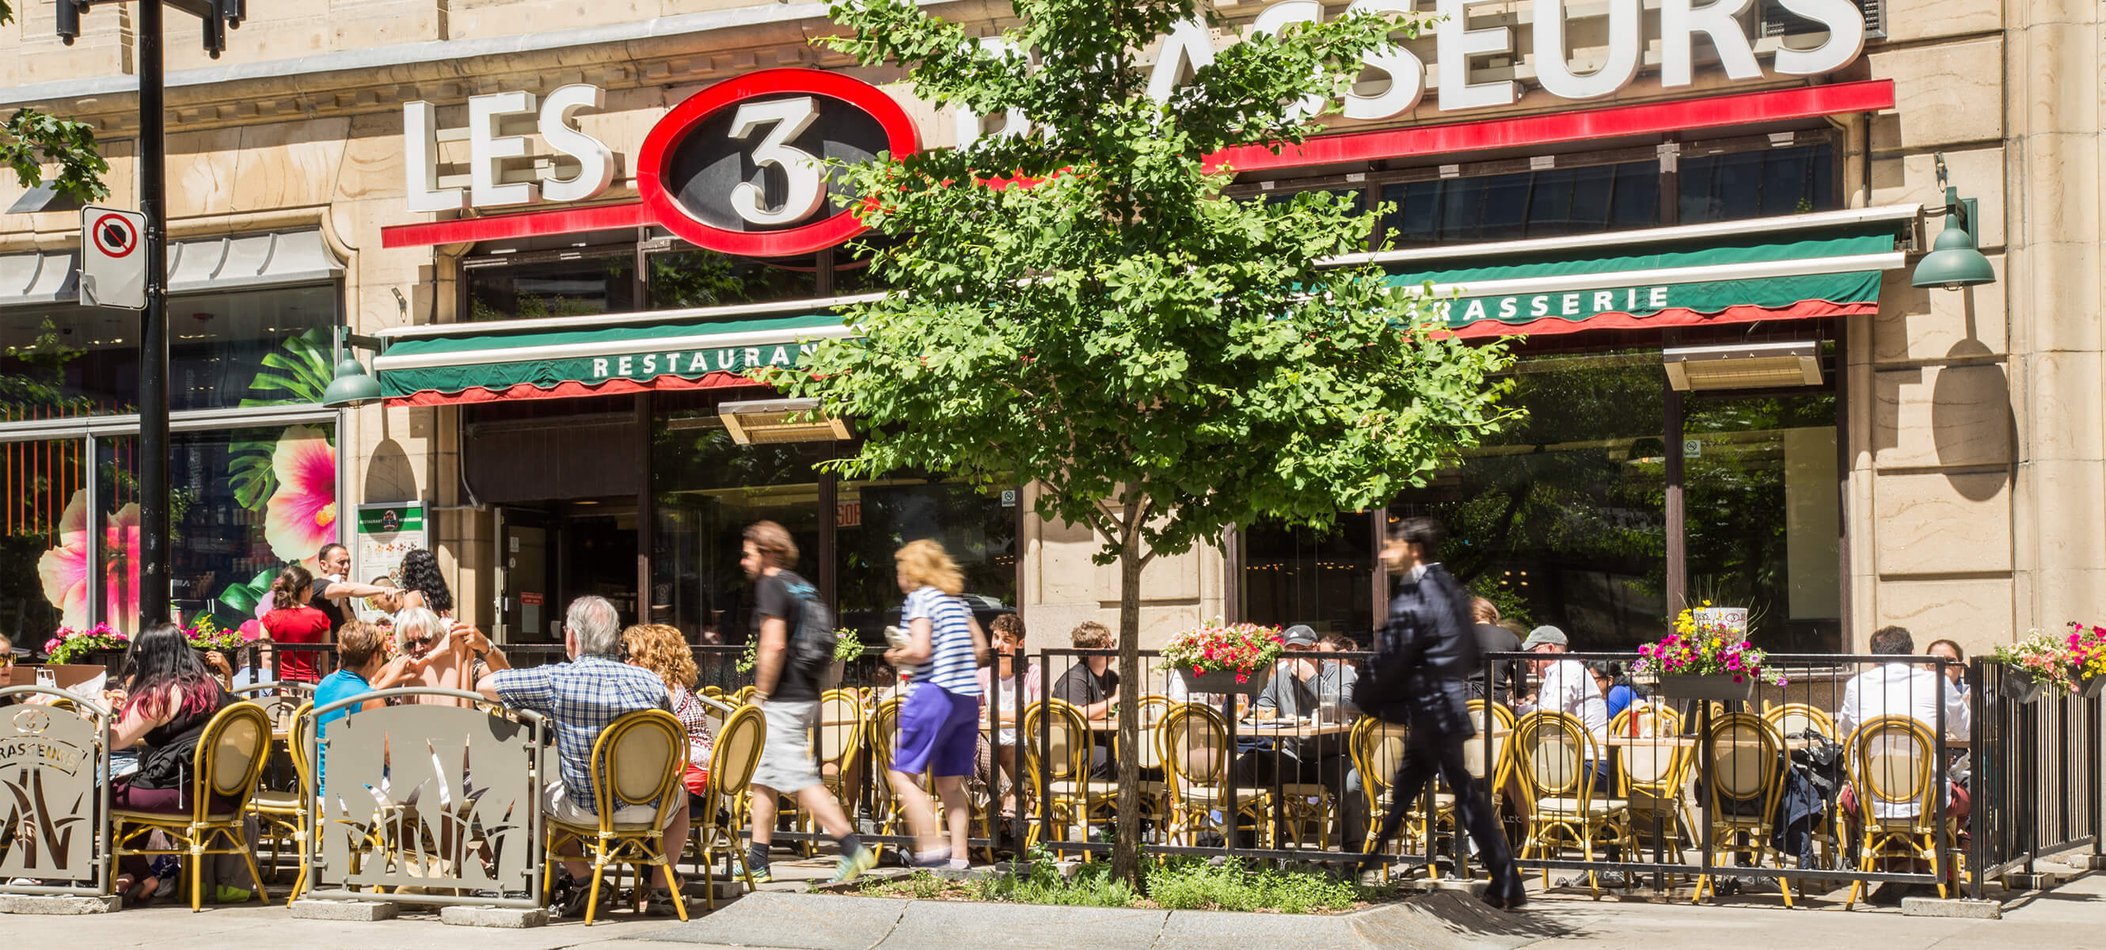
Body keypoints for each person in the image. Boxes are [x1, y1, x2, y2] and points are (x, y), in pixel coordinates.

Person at [474, 596, 688, 917]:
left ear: (572, 638)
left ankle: (584, 878)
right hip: (650, 808)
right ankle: (660, 888)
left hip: (586, 809)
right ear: (616, 638)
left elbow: (485, 685)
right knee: (682, 798)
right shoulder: (652, 682)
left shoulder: (557, 679)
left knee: (534, 795)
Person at [1354, 518, 1525, 910]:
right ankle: (1507, 883)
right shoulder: (1448, 586)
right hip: (1444, 707)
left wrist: (1367, 693)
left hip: (1431, 710)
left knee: (1431, 796)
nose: (1384, 553)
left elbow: (1399, 653)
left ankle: (1361, 870)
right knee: (1442, 796)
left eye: (1391, 545)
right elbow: (1467, 652)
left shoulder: (1419, 591)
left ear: (1412, 549)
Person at [739, 520, 875, 885]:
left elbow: (774, 644)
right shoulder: (803, 587)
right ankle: (758, 859)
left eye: (748, 553)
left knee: (796, 777)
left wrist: (762, 692)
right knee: (764, 776)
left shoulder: (770, 585)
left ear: (768, 552)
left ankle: (850, 846)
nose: (743, 561)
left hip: (783, 695)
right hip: (806, 692)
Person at [1836, 625, 1972, 903]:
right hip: (1929, 801)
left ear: (1874, 659)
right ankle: (1936, 870)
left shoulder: (1856, 685)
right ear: (1912, 653)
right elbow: (1967, 730)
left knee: (1851, 804)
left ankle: (1897, 869)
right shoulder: (1936, 683)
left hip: (1871, 801)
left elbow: (1846, 731)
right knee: (1965, 799)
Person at [107, 622, 241, 904]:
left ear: (152, 656)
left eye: (140, 655)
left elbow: (115, 741)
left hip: (184, 795)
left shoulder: (161, 693)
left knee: (105, 795)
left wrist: (100, 706)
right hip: (222, 795)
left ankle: (143, 876)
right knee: (129, 793)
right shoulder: (210, 685)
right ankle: (129, 875)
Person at [884, 540, 989, 869]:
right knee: (951, 782)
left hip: (933, 693)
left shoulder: (919, 598)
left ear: (913, 571)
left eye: (901, 568)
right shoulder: (959, 602)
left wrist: (895, 655)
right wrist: (956, 664)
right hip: (965, 699)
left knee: (902, 774)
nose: (899, 575)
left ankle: (931, 843)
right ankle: (960, 857)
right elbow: (982, 648)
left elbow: (920, 650)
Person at [311, 621, 429, 797]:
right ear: (374, 656)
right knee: (441, 783)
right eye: (383, 653)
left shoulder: (325, 684)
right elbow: (391, 757)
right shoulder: (370, 700)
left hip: (328, 793)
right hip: (365, 794)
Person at [624, 622, 716, 797]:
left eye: (631, 656)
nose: (626, 661)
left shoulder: (658, 691)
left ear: (648, 657)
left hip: (685, 781)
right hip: (699, 776)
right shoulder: (678, 687)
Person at [976, 614, 1040, 828]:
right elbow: (974, 713)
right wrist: (1016, 714)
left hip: (1028, 745)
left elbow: (1038, 713)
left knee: (1009, 747)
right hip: (989, 744)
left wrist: (996, 714)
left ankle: (1007, 810)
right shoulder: (983, 676)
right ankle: (1012, 804)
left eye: (1006, 640)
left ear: (1020, 644)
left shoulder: (1032, 674)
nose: (998, 645)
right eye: (995, 637)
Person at [392, 606, 509, 705]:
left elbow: (506, 679)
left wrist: (486, 646)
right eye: (410, 644)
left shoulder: (460, 662)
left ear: (438, 636)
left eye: (424, 640)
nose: (418, 648)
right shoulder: (403, 669)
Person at [1051, 620, 1119, 779]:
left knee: (1144, 761)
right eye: (1106, 646)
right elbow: (1079, 712)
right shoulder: (1075, 679)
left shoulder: (1111, 677)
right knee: (1112, 762)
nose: (1113, 649)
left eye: (1112, 643)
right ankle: (1091, 804)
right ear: (1090, 653)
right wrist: (1116, 699)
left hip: (1097, 743)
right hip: (1070, 749)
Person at [259, 564, 332, 683]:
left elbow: (265, 656)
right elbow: (325, 661)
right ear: (305, 589)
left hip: (279, 683)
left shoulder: (269, 617)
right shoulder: (320, 617)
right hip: (310, 684)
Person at [309, 543, 398, 634]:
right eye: (341, 562)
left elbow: (353, 628)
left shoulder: (343, 593)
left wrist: (342, 602)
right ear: (324, 565)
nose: (347, 567)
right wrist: (382, 590)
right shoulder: (316, 586)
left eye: (348, 562)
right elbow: (349, 589)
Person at [1466, 597, 1523, 703]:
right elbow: (1520, 687)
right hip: (1496, 705)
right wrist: (1519, 697)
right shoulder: (1511, 637)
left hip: (1463, 703)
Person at [396, 547, 455, 617]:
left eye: (404, 565)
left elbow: (410, 626)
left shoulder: (412, 597)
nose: (401, 571)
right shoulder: (435, 597)